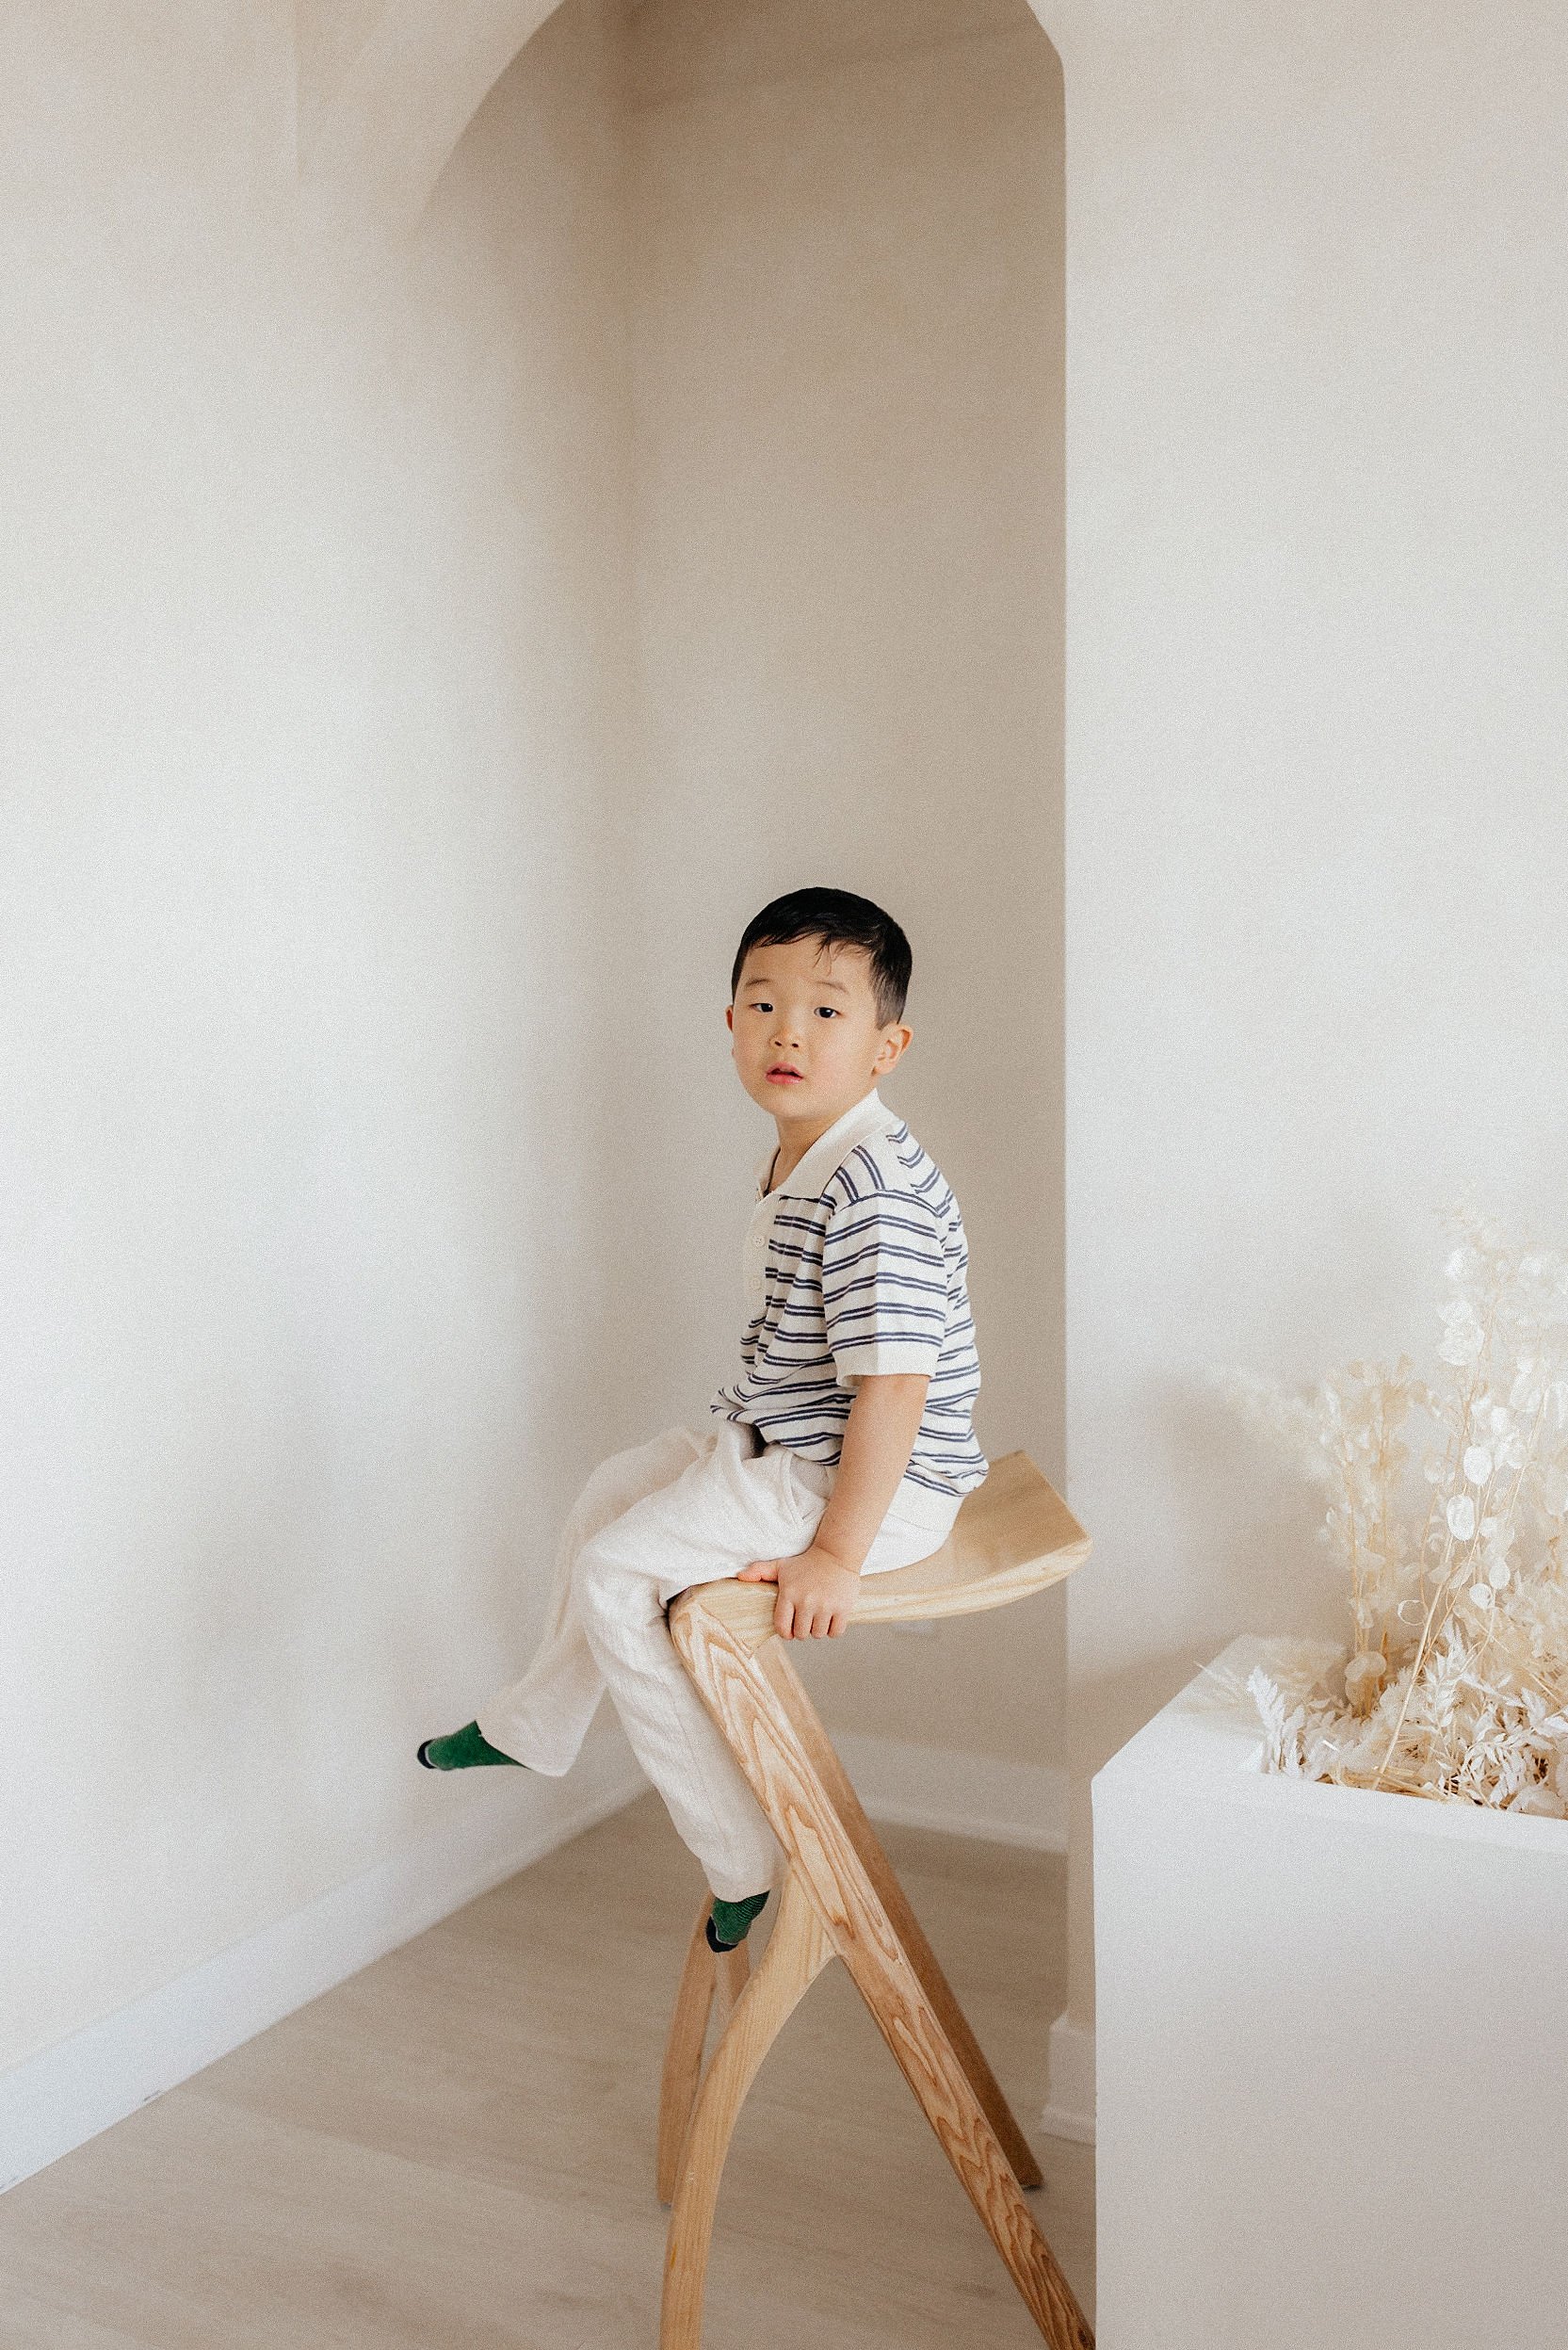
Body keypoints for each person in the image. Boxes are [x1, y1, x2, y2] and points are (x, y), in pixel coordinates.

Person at [417, 885, 987, 1953]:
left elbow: (895, 1388)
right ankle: (536, 1720)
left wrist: (835, 1555)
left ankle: (739, 1853)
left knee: (617, 1574)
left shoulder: (872, 1188)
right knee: (610, 1491)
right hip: (793, 1441)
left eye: (826, 1011)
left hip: (871, 1479)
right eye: (763, 1003)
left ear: (886, 1046)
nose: (787, 1031)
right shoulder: (809, 1153)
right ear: (730, 1023)